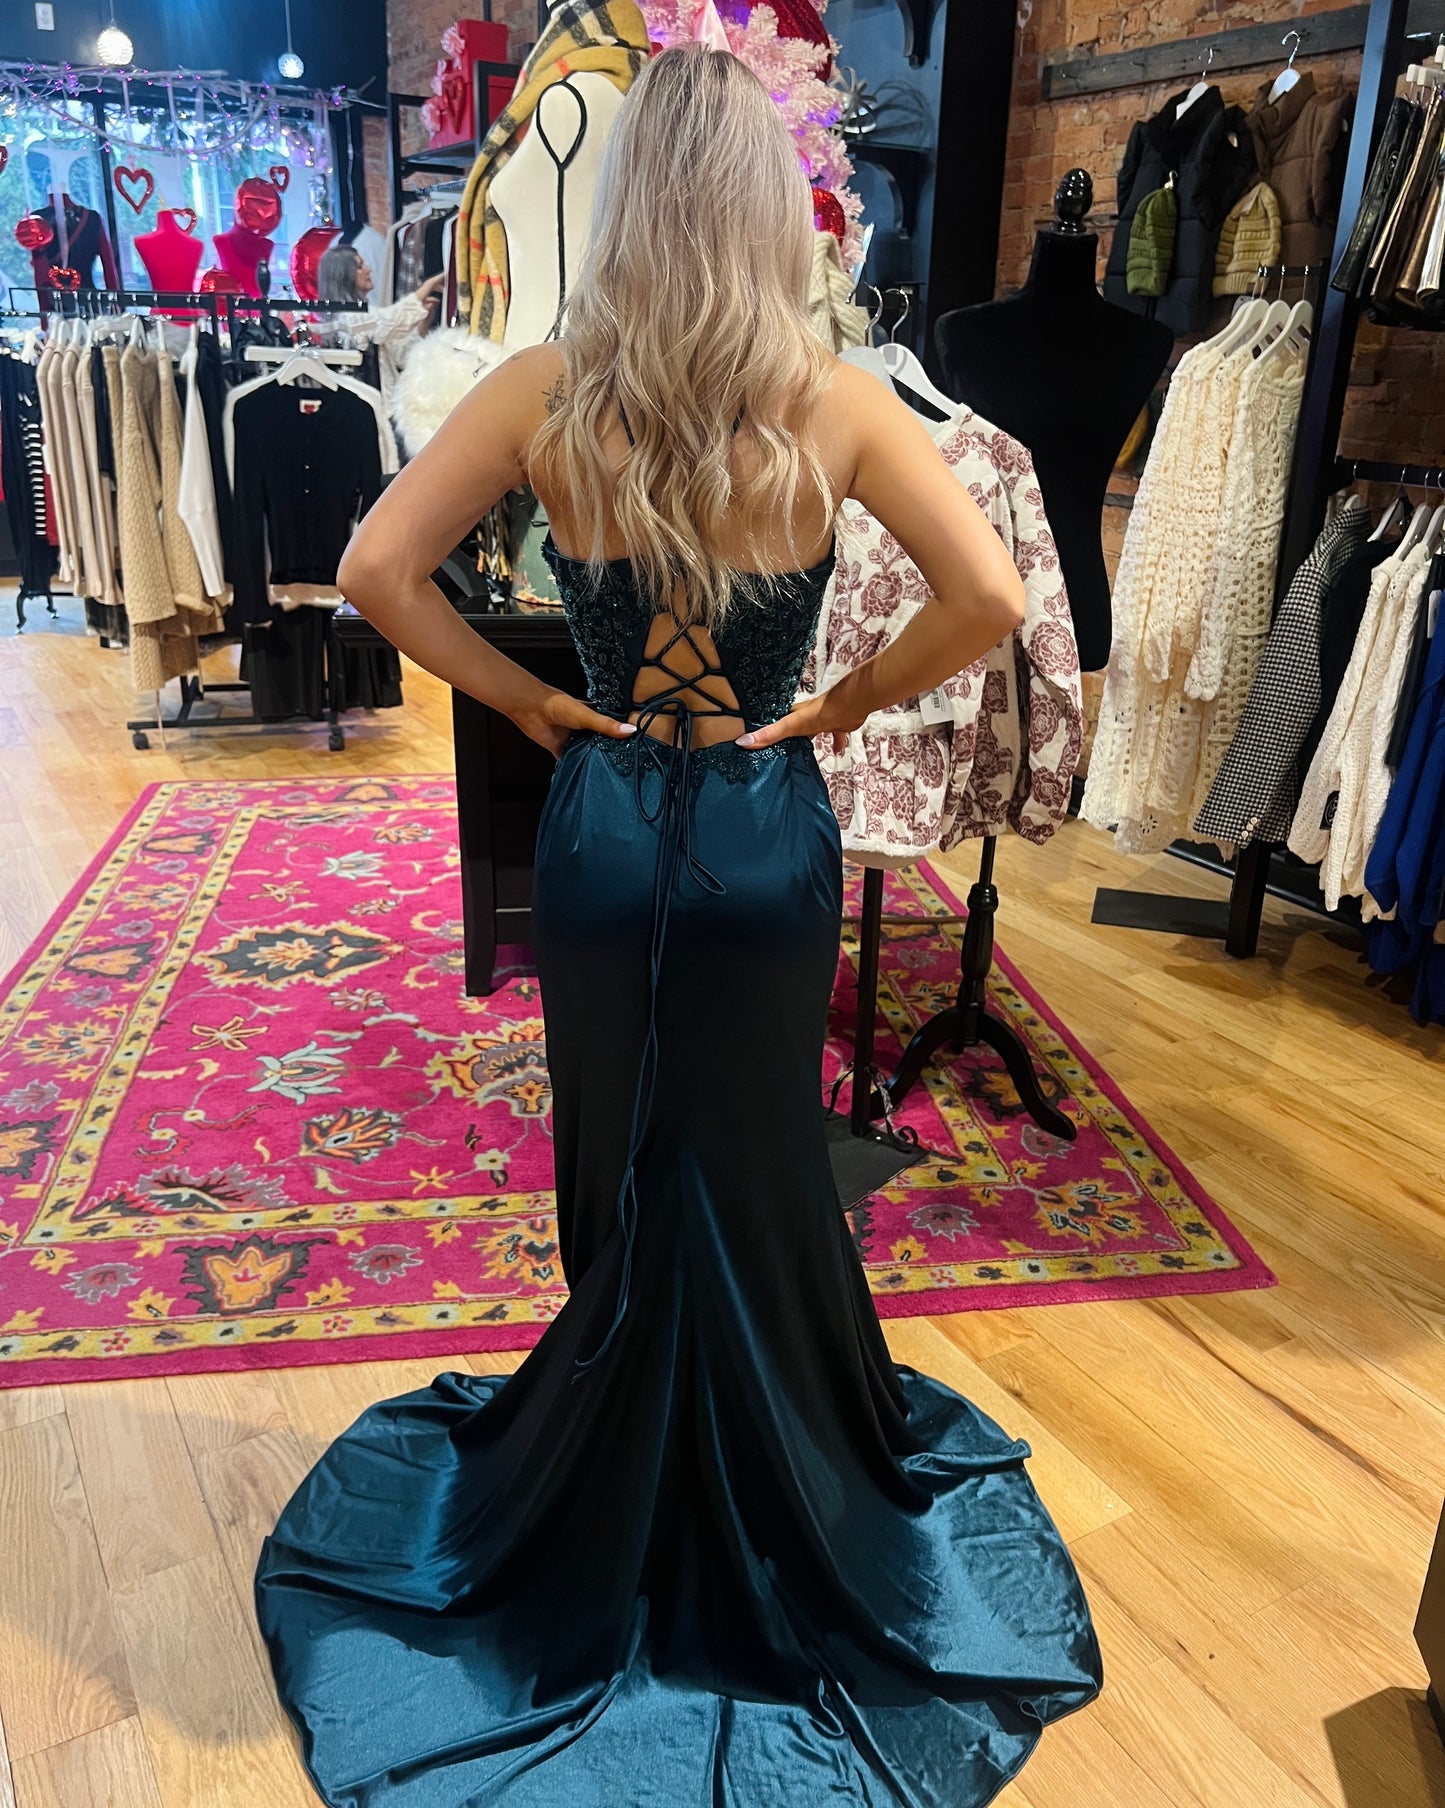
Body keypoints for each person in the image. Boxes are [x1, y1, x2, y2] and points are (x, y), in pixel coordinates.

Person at [254, 44, 1102, 1808]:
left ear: (630, 200)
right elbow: (1000, 594)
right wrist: (849, 697)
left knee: (615, 1162)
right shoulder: (841, 397)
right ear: (771, 211)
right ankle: (776, 1484)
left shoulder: (545, 388)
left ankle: (608, 1493)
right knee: (757, 1161)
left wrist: (534, 701)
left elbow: (376, 573)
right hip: (760, 839)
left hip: (612, 827)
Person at [316, 242, 444, 403]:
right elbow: (391, 319)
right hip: (367, 407)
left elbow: (397, 354)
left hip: (380, 404)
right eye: (360, 266)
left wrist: (423, 324)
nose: (368, 269)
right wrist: (429, 285)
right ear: (344, 275)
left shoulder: (362, 315)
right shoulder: (349, 318)